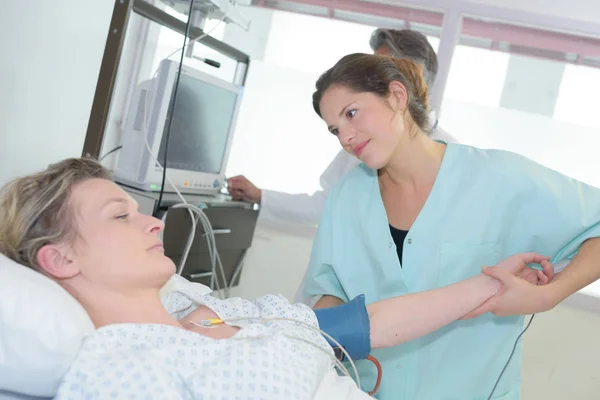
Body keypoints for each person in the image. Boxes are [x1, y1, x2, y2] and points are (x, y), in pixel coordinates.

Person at [0, 158, 553, 399]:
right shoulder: (122, 372)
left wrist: (491, 286)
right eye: (120, 215)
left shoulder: (213, 312)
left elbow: (363, 324)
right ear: (60, 261)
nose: (152, 220)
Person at [303, 52, 600, 400]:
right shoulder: (346, 197)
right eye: (335, 129)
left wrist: (548, 295)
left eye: (351, 113)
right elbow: (329, 288)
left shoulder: (496, 178)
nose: (346, 138)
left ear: (397, 96)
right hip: (366, 391)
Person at [227, 29, 455, 227]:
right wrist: (260, 196)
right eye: (335, 130)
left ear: (409, 79)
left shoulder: (458, 160)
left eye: (378, 71)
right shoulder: (360, 140)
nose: (345, 138)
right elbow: (328, 203)